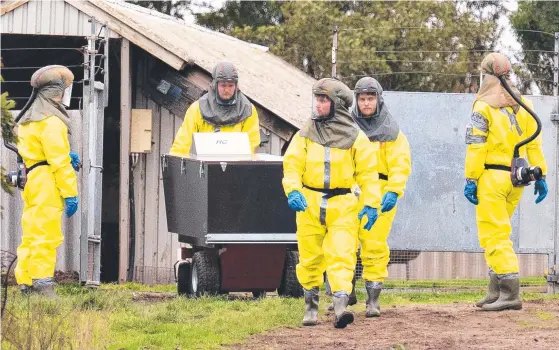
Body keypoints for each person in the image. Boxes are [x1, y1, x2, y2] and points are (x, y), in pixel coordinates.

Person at [282, 78, 381, 329]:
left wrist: (371, 204)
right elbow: (292, 165)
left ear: (336, 103)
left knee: (342, 255)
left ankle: (340, 307)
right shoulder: (305, 134)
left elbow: (369, 174)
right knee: (309, 257)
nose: (318, 104)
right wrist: (293, 190)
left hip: (343, 204)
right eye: (317, 98)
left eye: (324, 99)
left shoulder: (356, 138)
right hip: (309, 203)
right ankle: (310, 308)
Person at [463, 52, 548, 311]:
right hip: (516, 179)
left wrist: (471, 178)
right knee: (497, 233)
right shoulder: (520, 104)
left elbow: (476, 147)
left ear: (486, 75)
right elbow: (534, 143)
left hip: (492, 178)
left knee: (495, 235)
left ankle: (509, 293)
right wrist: (540, 175)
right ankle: (495, 290)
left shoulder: (483, 106)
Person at [14, 65, 81, 297]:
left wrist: (64, 155)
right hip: (47, 181)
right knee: (47, 233)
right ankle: (43, 284)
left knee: (31, 232)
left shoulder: (29, 120)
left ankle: (26, 282)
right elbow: (59, 163)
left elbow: (34, 151)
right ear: (57, 92)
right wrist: (70, 192)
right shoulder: (52, 121)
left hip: (33, 178)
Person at [350, 77, 411, 317]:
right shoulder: (347, 128)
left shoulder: (392, 133)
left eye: (370, 98)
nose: (366, 103)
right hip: (351, 190)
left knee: (374, 244)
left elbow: (400, 164)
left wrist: (394, 190)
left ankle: (372, 299)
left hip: (380, 190)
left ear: (379, 99)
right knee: (344, 244)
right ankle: (343, 292)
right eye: (362, 99)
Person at [169, 61, 261, 156]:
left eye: (230, 85)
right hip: (207, 165)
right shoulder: (198, 108)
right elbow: (181, 144)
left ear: (236, 85)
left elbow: (251, 145)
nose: (226, 90)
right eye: (223, 85)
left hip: (237, 165)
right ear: (215, 84)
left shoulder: (247, 109)